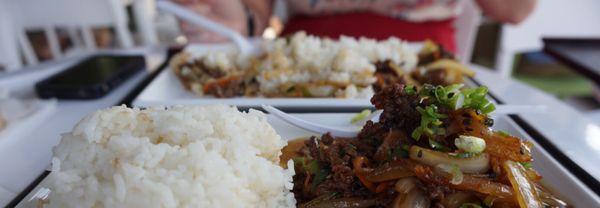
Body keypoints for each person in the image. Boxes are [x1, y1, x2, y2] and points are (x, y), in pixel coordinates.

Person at [173, 0, 537, 53]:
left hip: (424, 60)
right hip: (297, 56)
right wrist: (240, 18)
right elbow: (256, 11)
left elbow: (514, 10)